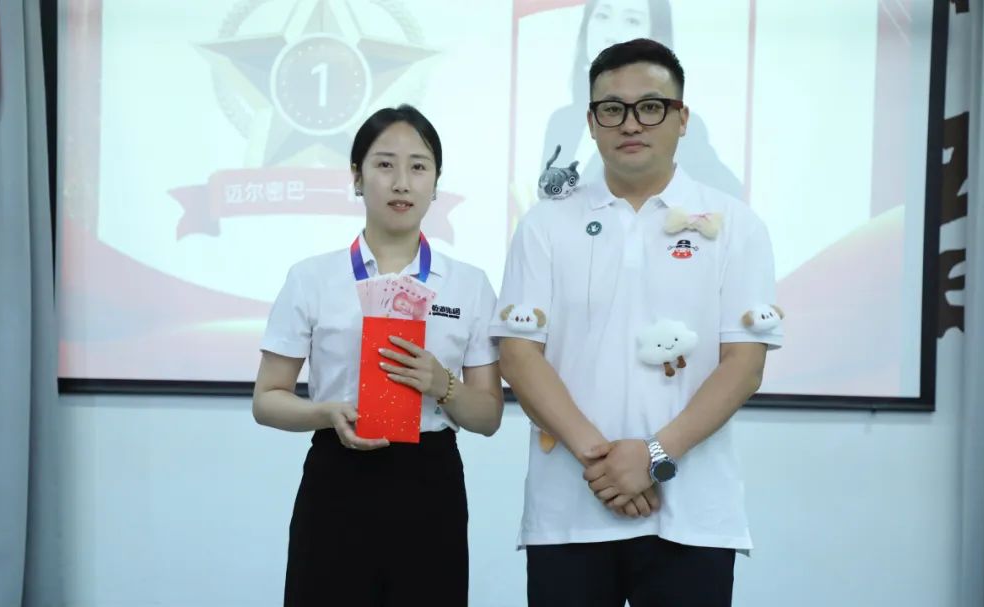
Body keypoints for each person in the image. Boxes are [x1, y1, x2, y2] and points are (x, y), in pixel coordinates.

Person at [494, 39, 782, 606]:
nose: (631, 123)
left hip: (692, 516)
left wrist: (653, 456)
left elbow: (744, 366)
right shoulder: (545, 225)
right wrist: (605, 462)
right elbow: (519, 355)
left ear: (682, 118)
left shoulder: (736, 225)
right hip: (569, 511)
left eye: (651, 107)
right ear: (591, 123)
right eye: (612, 109)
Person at [253, 104, 504, 606]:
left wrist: (441, 384)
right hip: (337, 473)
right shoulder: (312, 278)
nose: (402, 183)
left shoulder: (469, 284)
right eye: (385, 164)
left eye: (419, 167)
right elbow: (267, 400)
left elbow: (488, 417)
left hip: (430, 478)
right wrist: (326, 413)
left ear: (436, 183)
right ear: (357, 177)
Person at [539, 0, 743, 198]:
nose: (611, 34)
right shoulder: (562, 121)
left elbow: (727, 200)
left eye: (632, 21)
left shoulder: (674, 122)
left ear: (655, 38)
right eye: (603, 16)